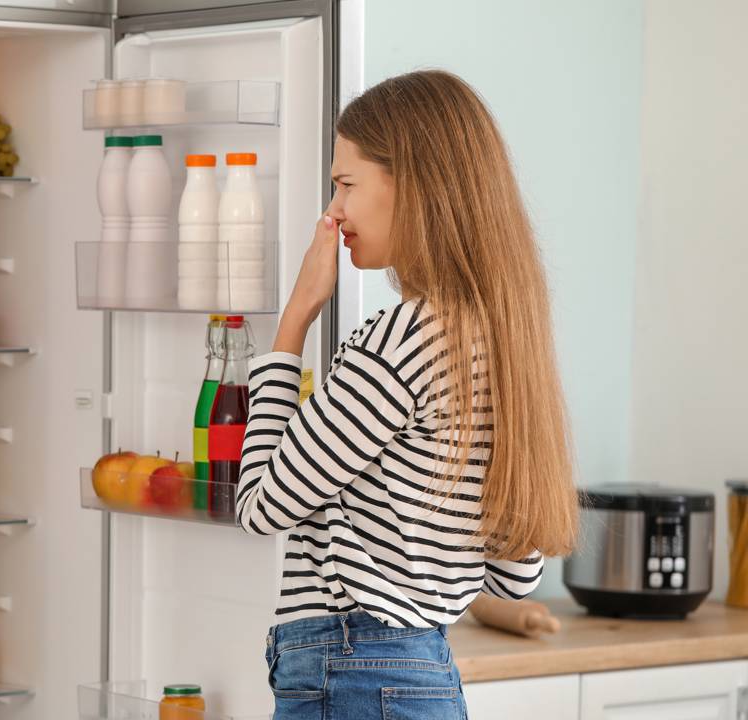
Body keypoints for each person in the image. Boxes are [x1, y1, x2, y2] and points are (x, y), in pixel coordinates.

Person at [236, 69, 580, 719]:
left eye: (345, 184)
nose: (333, 211)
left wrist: (292, 324)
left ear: (410, 185)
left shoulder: (400, 342)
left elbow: (261, 504)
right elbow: (511, 576)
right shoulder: (501, 339)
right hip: (421, 673)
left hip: (354, 671)